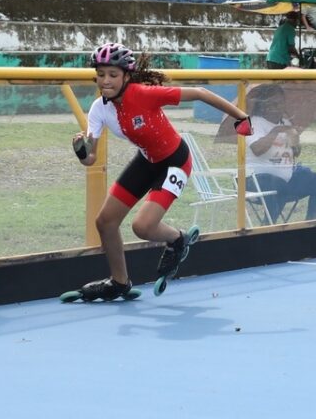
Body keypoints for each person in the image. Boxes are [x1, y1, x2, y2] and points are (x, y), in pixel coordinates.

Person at [65, 43, 252, 301]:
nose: (105, 81)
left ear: (126, 77)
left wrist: (241, 117)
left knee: (142, 227)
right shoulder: (99, 108)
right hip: (147, 161)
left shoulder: (143, 94)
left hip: (175, 161)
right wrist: (82, 153)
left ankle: (178, 240)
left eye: (113, 75)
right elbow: (92, 159)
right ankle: (119, 282)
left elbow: (199, 93)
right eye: (100, 74)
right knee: (105, 222)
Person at [244, 87, 316, 224]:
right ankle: (266, 227)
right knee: (278, 185)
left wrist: (295, 142)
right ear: (263, 105)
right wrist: (276, 131)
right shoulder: (251, 122)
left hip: (285, 180)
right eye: (273, 103)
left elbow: (295, 153)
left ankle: (310, 224)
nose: (277, 107)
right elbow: (257, 149)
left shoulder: (286, 122)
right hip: (254, 180)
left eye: (280, 103)